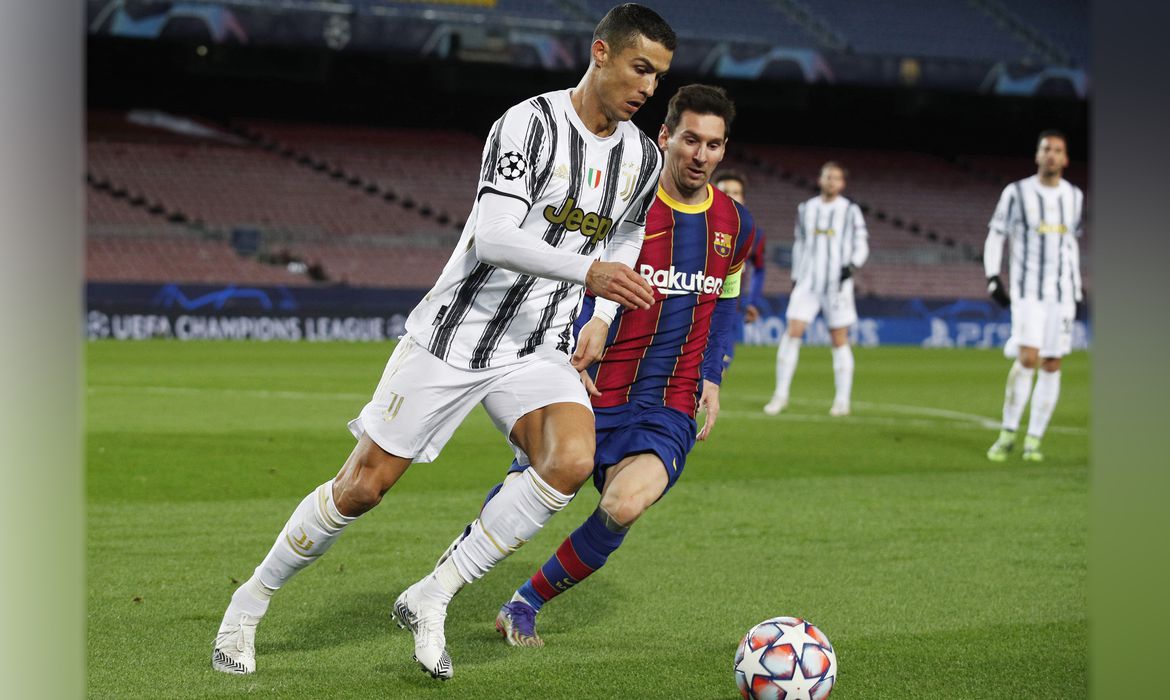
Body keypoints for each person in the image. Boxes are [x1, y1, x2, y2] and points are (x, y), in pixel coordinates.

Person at [211, 3, 676, 680]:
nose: (648, 87)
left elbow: (629, 230)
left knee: (571, 459)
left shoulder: (641, 154)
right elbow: (492, 235)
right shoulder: (530, 124)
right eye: (640, 68)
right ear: (600, 52)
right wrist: (589, 269)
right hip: (454, 336)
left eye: (659, 77)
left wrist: (600, 309)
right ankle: (248, 603)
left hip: (537, 342)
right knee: (363, 487)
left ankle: (435, 591)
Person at [438, 84, 752, 647]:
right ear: (665, 137)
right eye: (689, 140)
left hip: (668, 401)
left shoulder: (735, 225)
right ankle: (444, 580)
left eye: (713, 144)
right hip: (592, 384)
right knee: (533, 489)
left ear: (724, 150)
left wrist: (712, 372)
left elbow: (725, 298)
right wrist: (561, 352)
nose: (700, 155)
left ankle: (525, 602)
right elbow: (562, 276)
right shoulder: (622, 206)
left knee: (625, 504)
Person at [984, 129, 1084, 462]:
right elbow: (996, 235)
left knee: (1052, 363)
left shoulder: (1074, 196)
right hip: (1028, 291)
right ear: (1037, 155)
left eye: (1058, 150)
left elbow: (1070, 245)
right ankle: (1008, 432)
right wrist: (993, 277)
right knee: (1029, 357)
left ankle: (1034, 439)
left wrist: (1077, 288)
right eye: (1046, 149)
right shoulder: (1016, 193)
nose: (1052, 155)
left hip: (1063, 293)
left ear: (1065, 159)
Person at [764, 161, 869, 417]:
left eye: (836, 177)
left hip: (837, 284)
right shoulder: (806, 209)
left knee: (839, 338)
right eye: (827, 176)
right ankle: (780, 395)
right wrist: (796, 275)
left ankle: (842, 400)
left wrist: (853, 266)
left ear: (842, 183)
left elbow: (861, 242)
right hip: (808, 282)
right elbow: (799, 243)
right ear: (820, 179)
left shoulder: (850, 210)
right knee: (793, 332)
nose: (831, 181)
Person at [714, 170, 766, 369]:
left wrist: (752, 302)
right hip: (694, 309)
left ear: (743, 198)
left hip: (729, 310)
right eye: (724, 191)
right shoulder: (696, 223)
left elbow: (759, 269)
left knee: (716, 373)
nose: (730, 196)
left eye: (735, 192)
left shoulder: (754, 234)